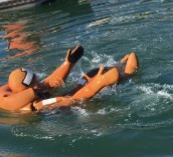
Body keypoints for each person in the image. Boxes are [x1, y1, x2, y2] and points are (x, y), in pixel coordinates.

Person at [0, 46, 139, 112]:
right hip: (55, 113)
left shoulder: (26, 88)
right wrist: (61, 99)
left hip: (50, 100)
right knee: (74, 97)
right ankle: (122, 76)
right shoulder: (25, 105)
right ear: (28, 86)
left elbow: (48, 82)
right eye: (36, 81)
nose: (39, 82)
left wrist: (68, 63)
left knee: (89, 74)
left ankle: (118, 65)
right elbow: (61, 101)